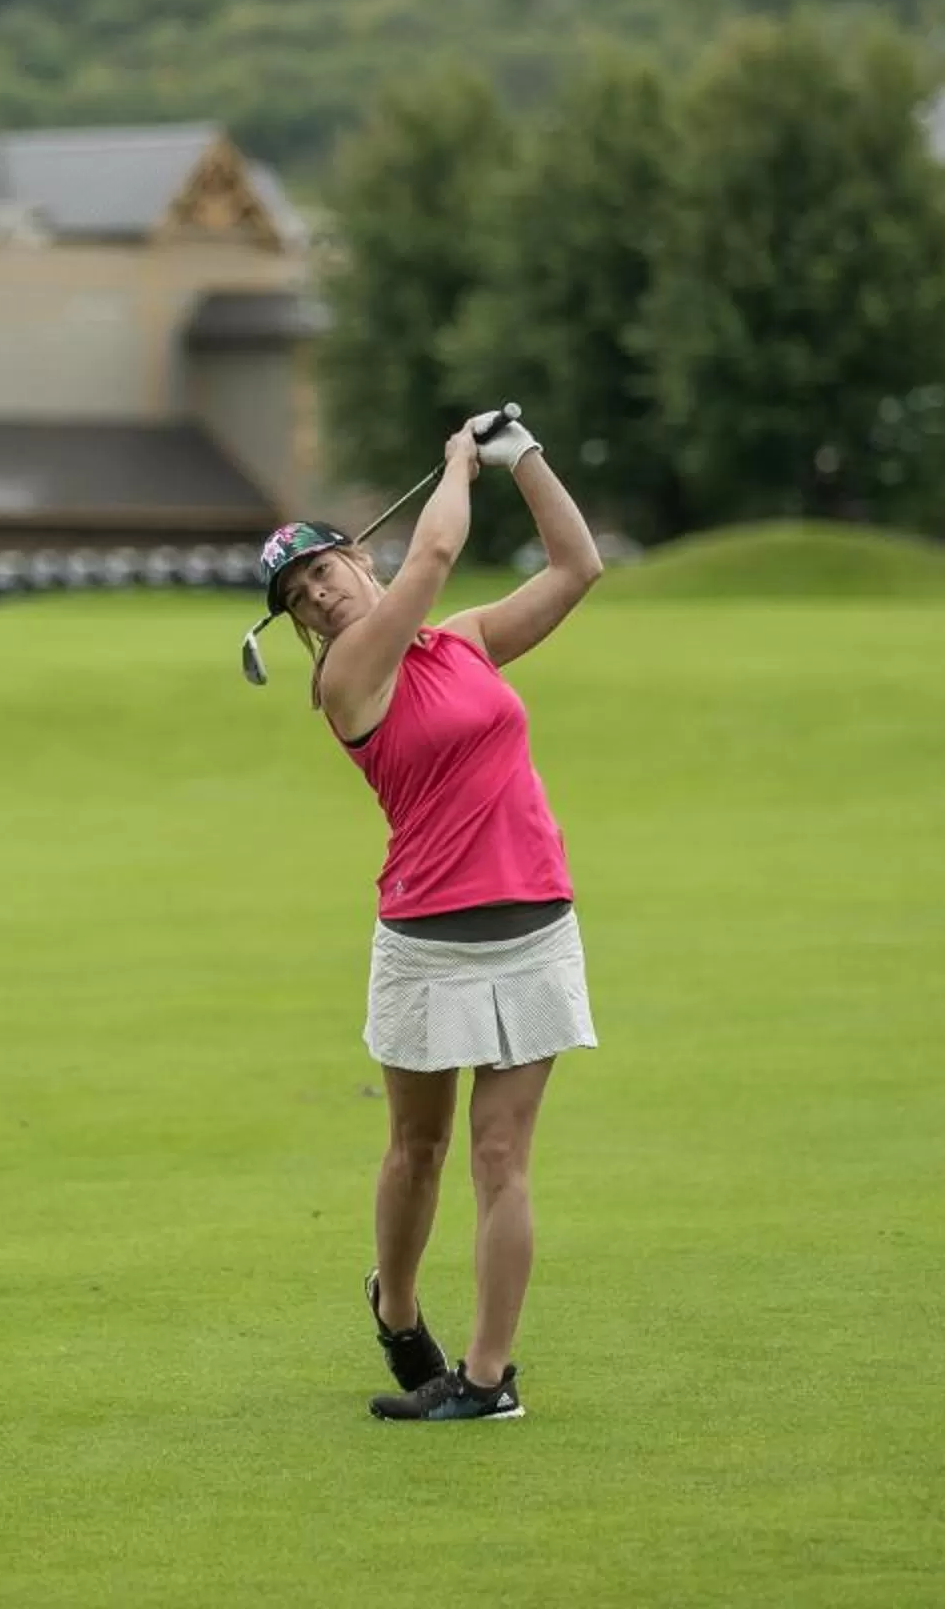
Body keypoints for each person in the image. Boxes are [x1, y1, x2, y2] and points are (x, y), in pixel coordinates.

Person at [255, 410, 604, 1422]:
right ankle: (399, 1309)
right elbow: (440, 546)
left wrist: (524, 454)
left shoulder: (461, 646)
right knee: (419, 1148)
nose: (318, 591)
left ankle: (488, 1378)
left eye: (323, 567)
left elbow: (576, 567)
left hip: (535, 922)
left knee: (503, 1158)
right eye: (296, 594)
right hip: (425, 938)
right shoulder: (347, 677)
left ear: (356, 556)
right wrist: (457, 460)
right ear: (300, 621)